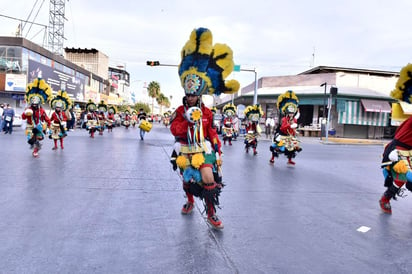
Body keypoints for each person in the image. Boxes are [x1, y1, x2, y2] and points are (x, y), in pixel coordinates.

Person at [170, 27, 239, 229]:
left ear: (199, 95)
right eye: (188, 94)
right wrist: (186, 121)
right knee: (188, 179)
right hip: (184, 150)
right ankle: (190, 201)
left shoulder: (207, 113)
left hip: (204, 149)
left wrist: (217, 150)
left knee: (208, 177)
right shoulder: (180, 110)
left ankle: (211, 212)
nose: (190, 97)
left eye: (194, 95)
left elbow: (212, 133)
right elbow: (174, 130)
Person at [379, 63, 412, 214]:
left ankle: (385, 199)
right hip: (398, 150)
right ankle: (385, 199)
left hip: (407, 151)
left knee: (403, 179)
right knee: (402, 178)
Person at [21, 77, 52, 157]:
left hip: (38, 126)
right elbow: (23, 117)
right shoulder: (28, 109)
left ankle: (35, 151)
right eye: (33, 103)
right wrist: (25, 113)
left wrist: (49, 125)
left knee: (38, 138)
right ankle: (34, 145)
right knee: (30, 139)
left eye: (36, 103)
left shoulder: (41, 110)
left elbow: (46, 118)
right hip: (30, 126)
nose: (34, 104)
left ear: (39, 102)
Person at [271, 90, 302, 165]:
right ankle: (272, 158)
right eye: (290, 112)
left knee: (292, 148)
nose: (291, 114)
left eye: (292, 113)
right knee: (278, 147)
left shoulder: (294, 119)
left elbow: (294, 128)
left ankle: (289, 160)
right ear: (286, 112)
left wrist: (295, 131)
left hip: (290, 136)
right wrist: (289, 125)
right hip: (283, 135)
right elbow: (282, 128)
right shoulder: (284, 119)